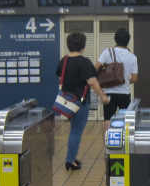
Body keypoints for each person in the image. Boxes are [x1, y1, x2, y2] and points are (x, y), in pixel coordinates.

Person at [55, 32, 110, 170]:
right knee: (76, 132)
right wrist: (102, 96)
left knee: (74, 130)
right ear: (83, 47)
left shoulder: (64, 60)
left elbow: (60, 78)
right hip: (80, 102)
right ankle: (69, 161)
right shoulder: (84, 62)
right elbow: (92, 81)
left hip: (66, 102)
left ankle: (72, 157)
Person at [95, 27, 139, 121]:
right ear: (128, 41)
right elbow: (135, 79)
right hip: (124, 93)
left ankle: (106, 136)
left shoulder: (107, 52)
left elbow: (95, 68)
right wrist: (125, 81)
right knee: (125, 121)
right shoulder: (133, 57)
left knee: (108, 120)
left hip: (109, 93)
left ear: (115, 39)